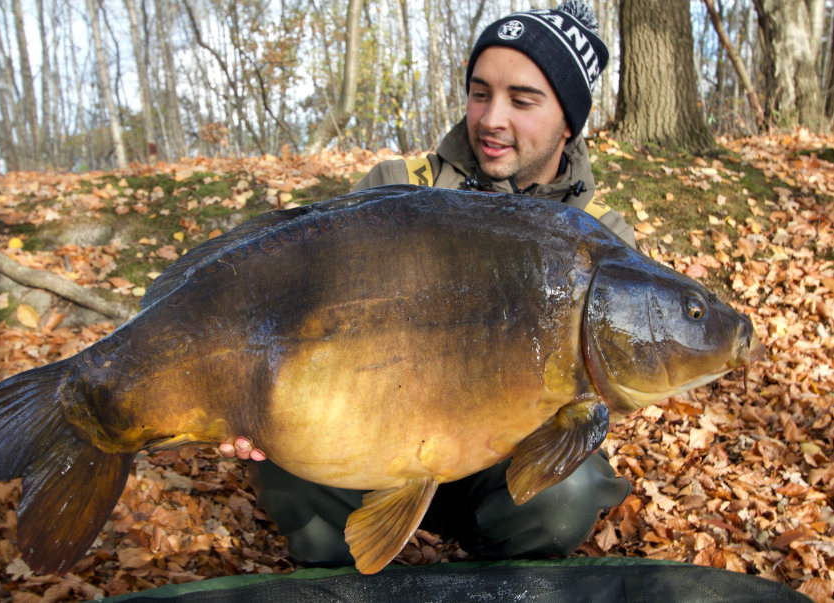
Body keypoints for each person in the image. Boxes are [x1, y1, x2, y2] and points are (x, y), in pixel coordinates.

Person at [223, 1, 632, 566]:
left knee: (566, 497)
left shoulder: (603, 242)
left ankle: (500, 574)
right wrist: (241, 395)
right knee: (287, 468)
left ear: (568, 121)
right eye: (480, 92)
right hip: (369, 434)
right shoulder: (396, 188)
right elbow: (290, 306)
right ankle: (342, 577)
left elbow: (615, 388)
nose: (491, 118)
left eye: (522, 99)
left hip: (500, 459)